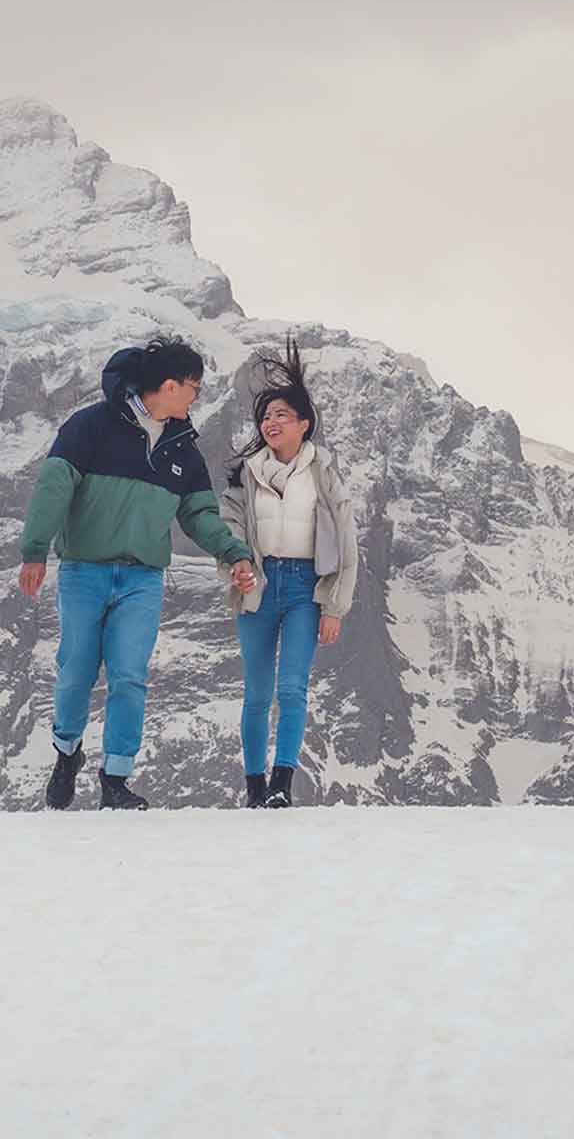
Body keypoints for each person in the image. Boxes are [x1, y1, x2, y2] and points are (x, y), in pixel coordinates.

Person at [18, 336, 257, 810]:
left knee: (129, 675)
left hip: (142, 579)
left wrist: (234, 553)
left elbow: (198, 515)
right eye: (193, 387)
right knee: (76, 672)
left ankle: (116, 780)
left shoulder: (182, 447)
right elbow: (53, 485)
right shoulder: (91, 426)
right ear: (170, 385)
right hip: (84, 570)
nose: (195, 397)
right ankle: (67, 753)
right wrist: (35, 549)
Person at [218, 338, 360, 808]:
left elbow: (346, 542)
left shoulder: (324, 476)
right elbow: (230, 526)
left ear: (303, 424)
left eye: (282, 415)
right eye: (266, 416)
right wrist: (235, 565)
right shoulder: (246, 474)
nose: (271, 423)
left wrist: (335, 605)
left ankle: (282, 784)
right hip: (257, 586)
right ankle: (255, 787)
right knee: (257, 692)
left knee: (292, 688)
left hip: (305, 588)